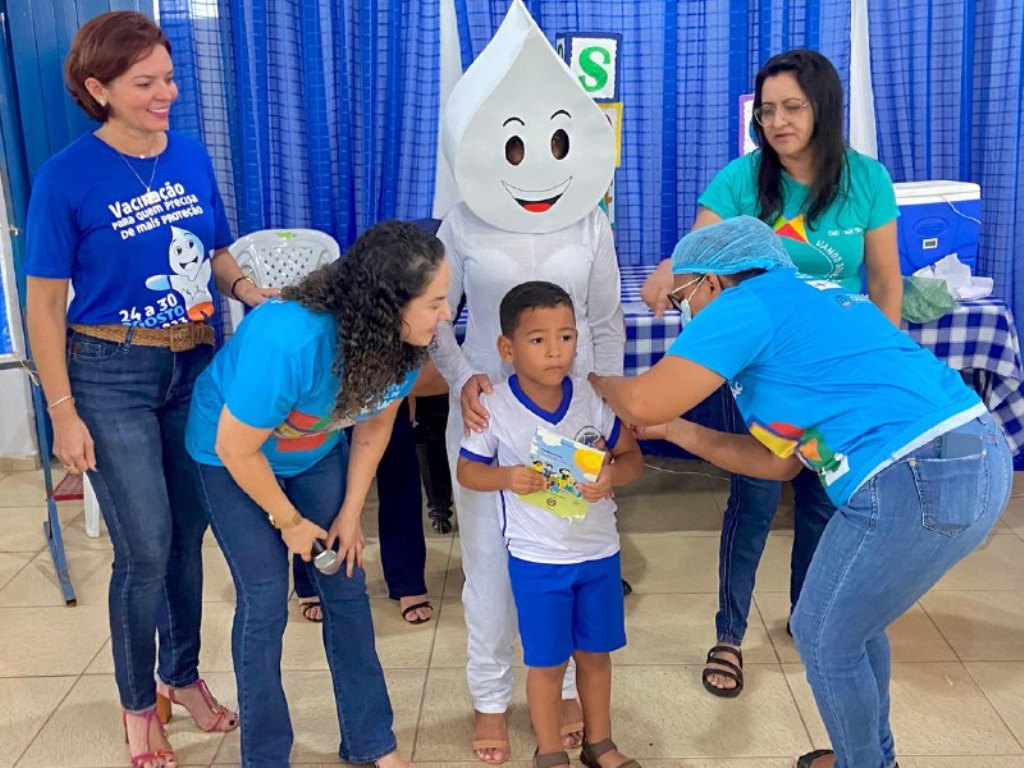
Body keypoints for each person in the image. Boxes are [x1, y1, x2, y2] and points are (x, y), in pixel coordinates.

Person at [593, 216, 1010, 768]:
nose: (681, 314)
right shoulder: (812, 298)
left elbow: (643, 401)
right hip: (977, 457)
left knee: (823, 636)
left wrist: (589, 379)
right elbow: (776, 464)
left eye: (680, 299)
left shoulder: (748, 301)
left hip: (911, 476)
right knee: (855, 625)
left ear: (711, 282)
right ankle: (870, 758)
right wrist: (680, 432)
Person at [24, 12, 270, 767]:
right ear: (98, 89)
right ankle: (139, 708)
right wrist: (62, 412)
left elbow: (218, 253)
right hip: (109, 372)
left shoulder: (189, 155)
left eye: (168, 77)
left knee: (187, 540)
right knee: (145, 548)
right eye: (146, 83)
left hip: (196, 361)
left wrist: (251, 290)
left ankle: (182, 674)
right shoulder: (66, 176)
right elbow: (41, 305)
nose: (167, 92)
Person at [640, 49, 902, 697]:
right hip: (763, 379)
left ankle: (807, 618)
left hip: (839, 381)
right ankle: (729, 634)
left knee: (821, 505)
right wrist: (669, 273)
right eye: (768, 109)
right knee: (753, 501)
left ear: (823, 109)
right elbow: (693, 260)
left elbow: (888, 285)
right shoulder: (740, 181)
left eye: (793, 107)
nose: (778, 121)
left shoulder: (866, 181)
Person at [433, 3, 625, 761]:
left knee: (572, 543)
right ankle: (489, 695)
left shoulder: (589, 222)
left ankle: (573, 692)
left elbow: (604, 320)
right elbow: (435, 320)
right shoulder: (464, 220)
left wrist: (608, 397)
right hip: (492, 413)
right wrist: (464, 379)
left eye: (552, 138)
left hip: (573, 409)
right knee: (488, 559)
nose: (535, 159)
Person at [185, 220, 450, 768]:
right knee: (263, 600)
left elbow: (375, 425)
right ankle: (265, 758)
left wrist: (350, 514)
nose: (445, 314)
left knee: (346, 585)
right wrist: (289, 522)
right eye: (436, 302)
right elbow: (237, 449)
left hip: (311, 453)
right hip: (228, 455)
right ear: (389, 304)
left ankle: (372, 742)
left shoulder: (402, 345)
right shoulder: (292, 340)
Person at [457, 282, 643, 768]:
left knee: (597, 655)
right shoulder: (493, 407)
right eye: (538, 339)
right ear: (507, 349)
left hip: (599, 553)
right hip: (538, 560)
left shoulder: (592, 398)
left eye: (566, 337)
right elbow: (467, 471)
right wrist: (507, 478)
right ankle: (550, 750)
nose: (555, 351)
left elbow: (632, 458)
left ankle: (599, 744)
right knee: (545, 662)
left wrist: (611, 476)